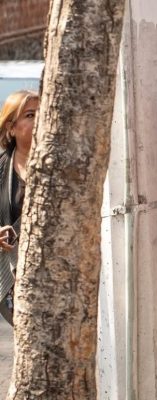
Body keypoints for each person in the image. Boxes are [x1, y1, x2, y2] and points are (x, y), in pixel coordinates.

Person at [0, 90, 38, 325]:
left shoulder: (61, 165)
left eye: (44, 113)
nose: (40, 120)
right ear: (11, 128)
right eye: (30, 115)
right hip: (16, 276)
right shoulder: (1, 168)